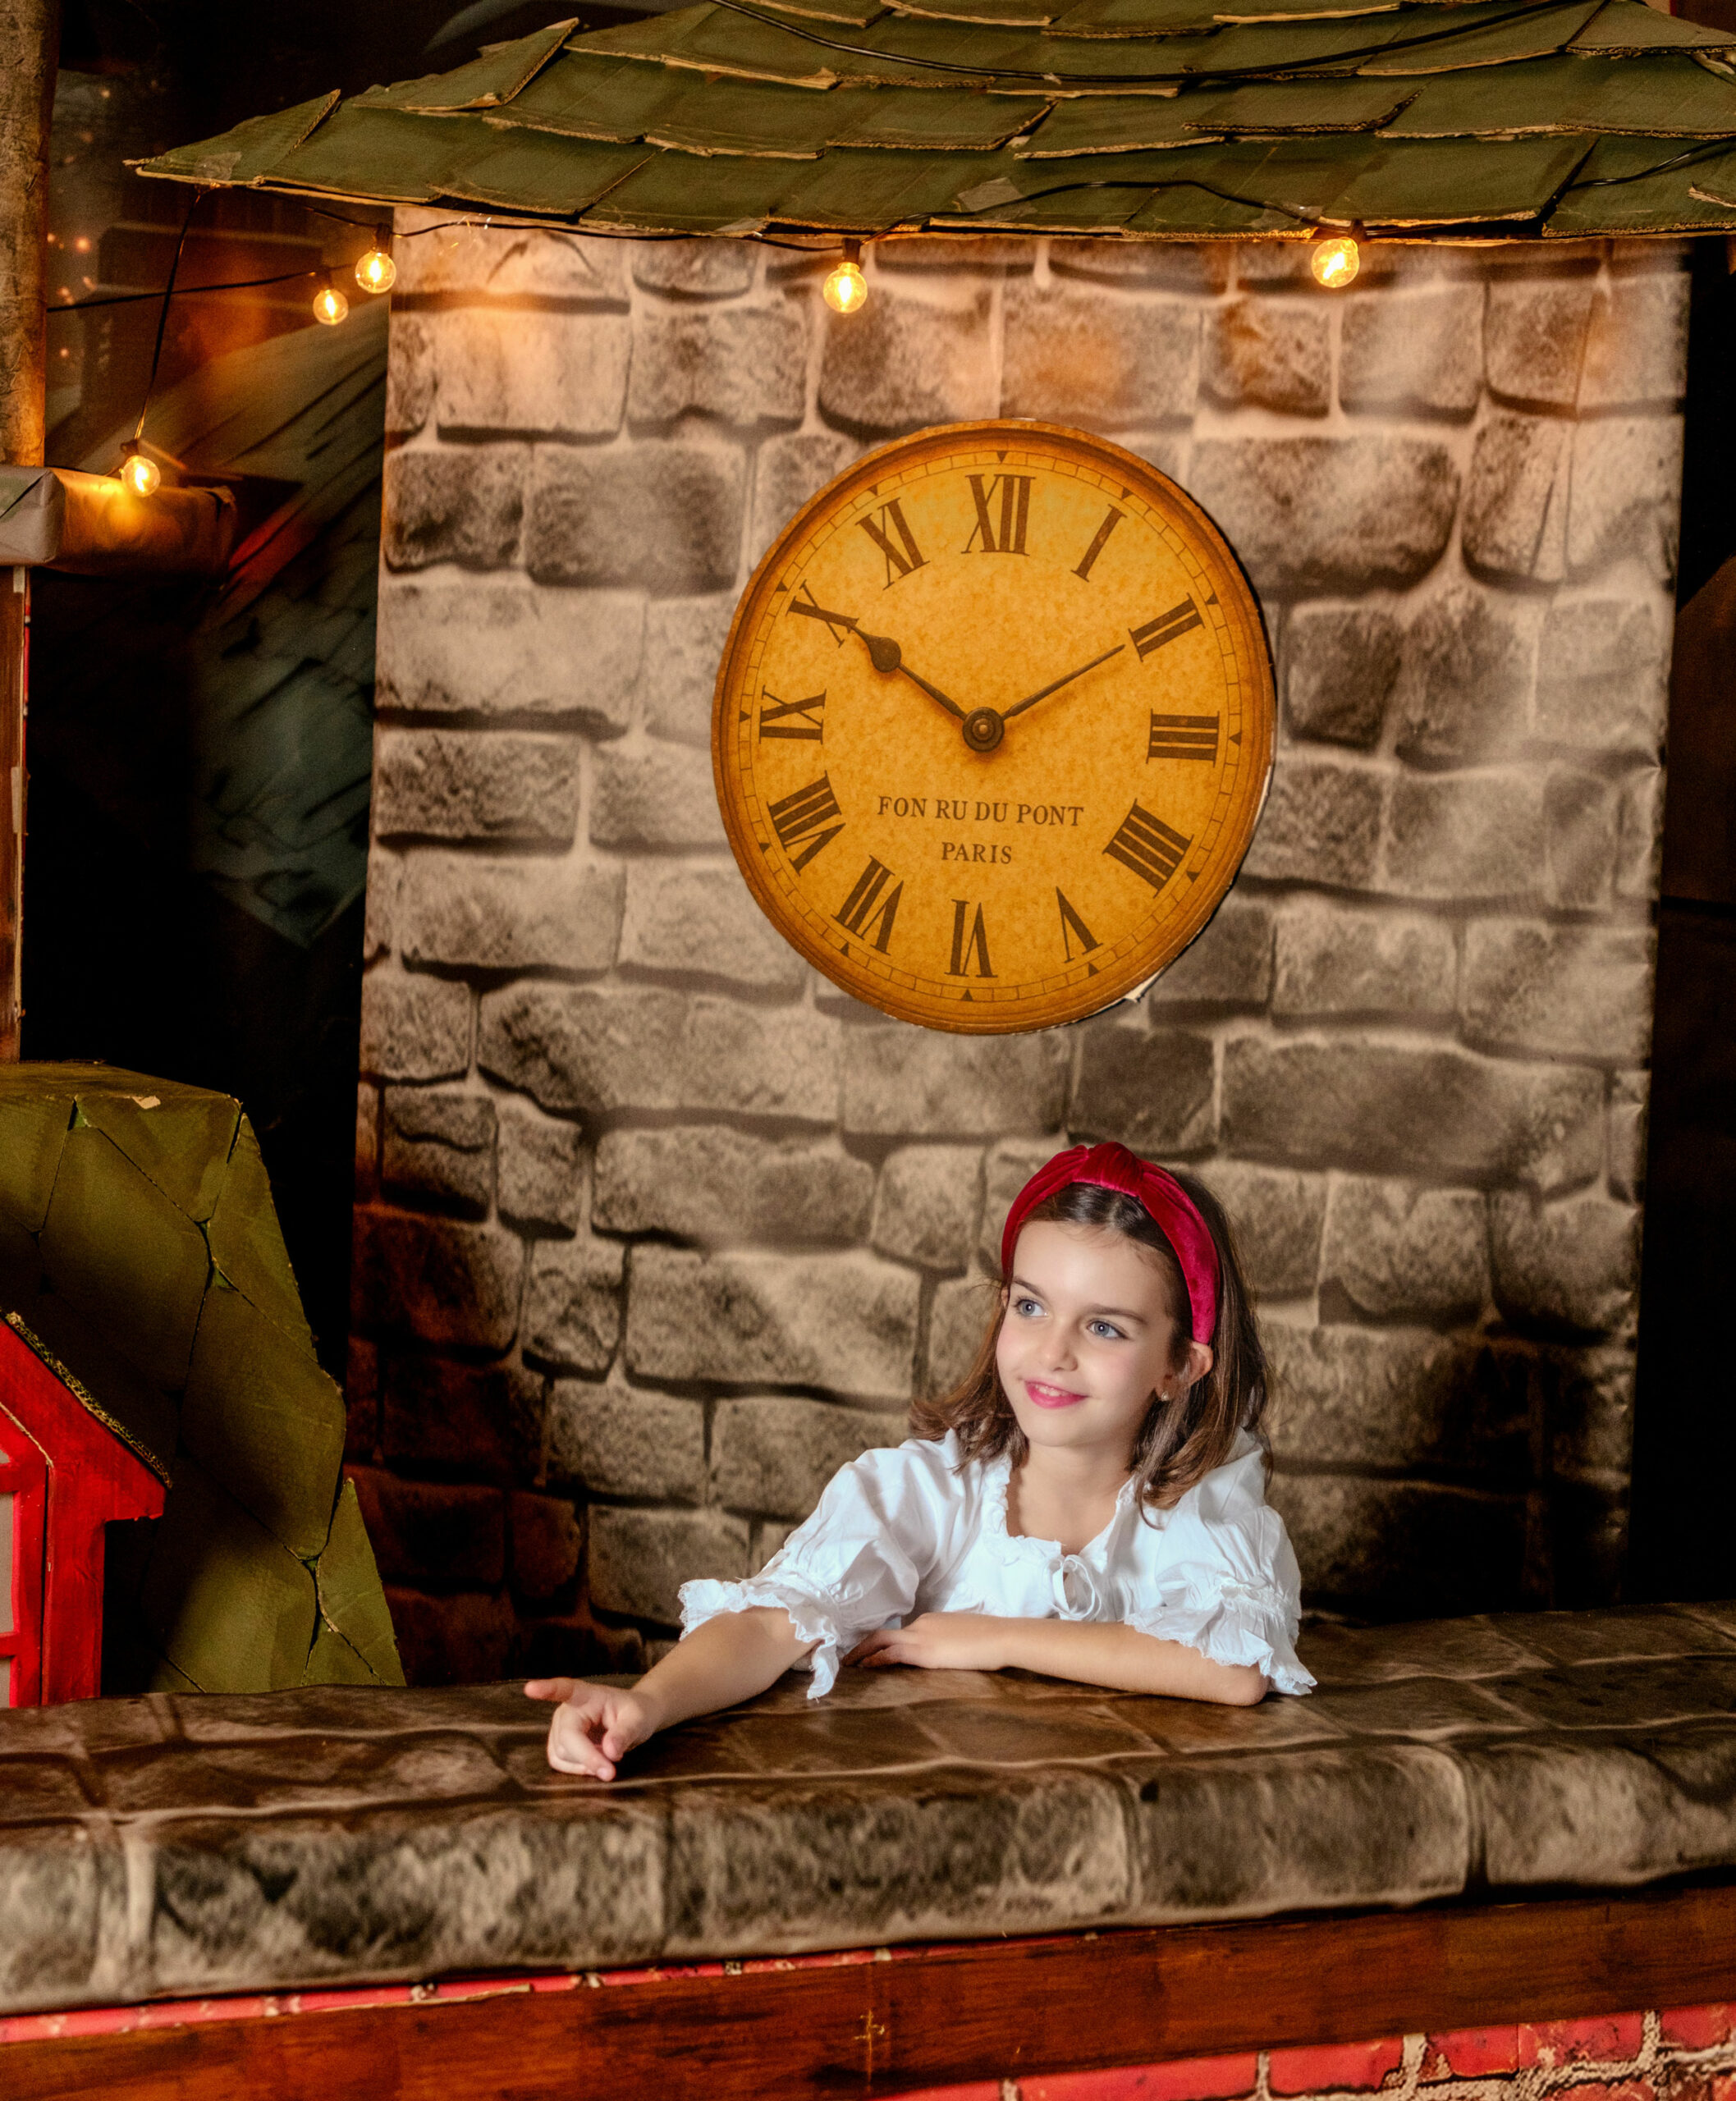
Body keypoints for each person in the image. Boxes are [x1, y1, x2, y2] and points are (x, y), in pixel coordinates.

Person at [529, 1141, 1314, 1780]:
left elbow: (1231, 1668)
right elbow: (773, 1622)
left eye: (1104, 1327)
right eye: (1030, 1306)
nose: (1052, 1353)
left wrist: (994, 1637)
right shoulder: (926, 1491)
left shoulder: (1203, 1504)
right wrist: (648, 1704)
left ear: (1179, 1365)